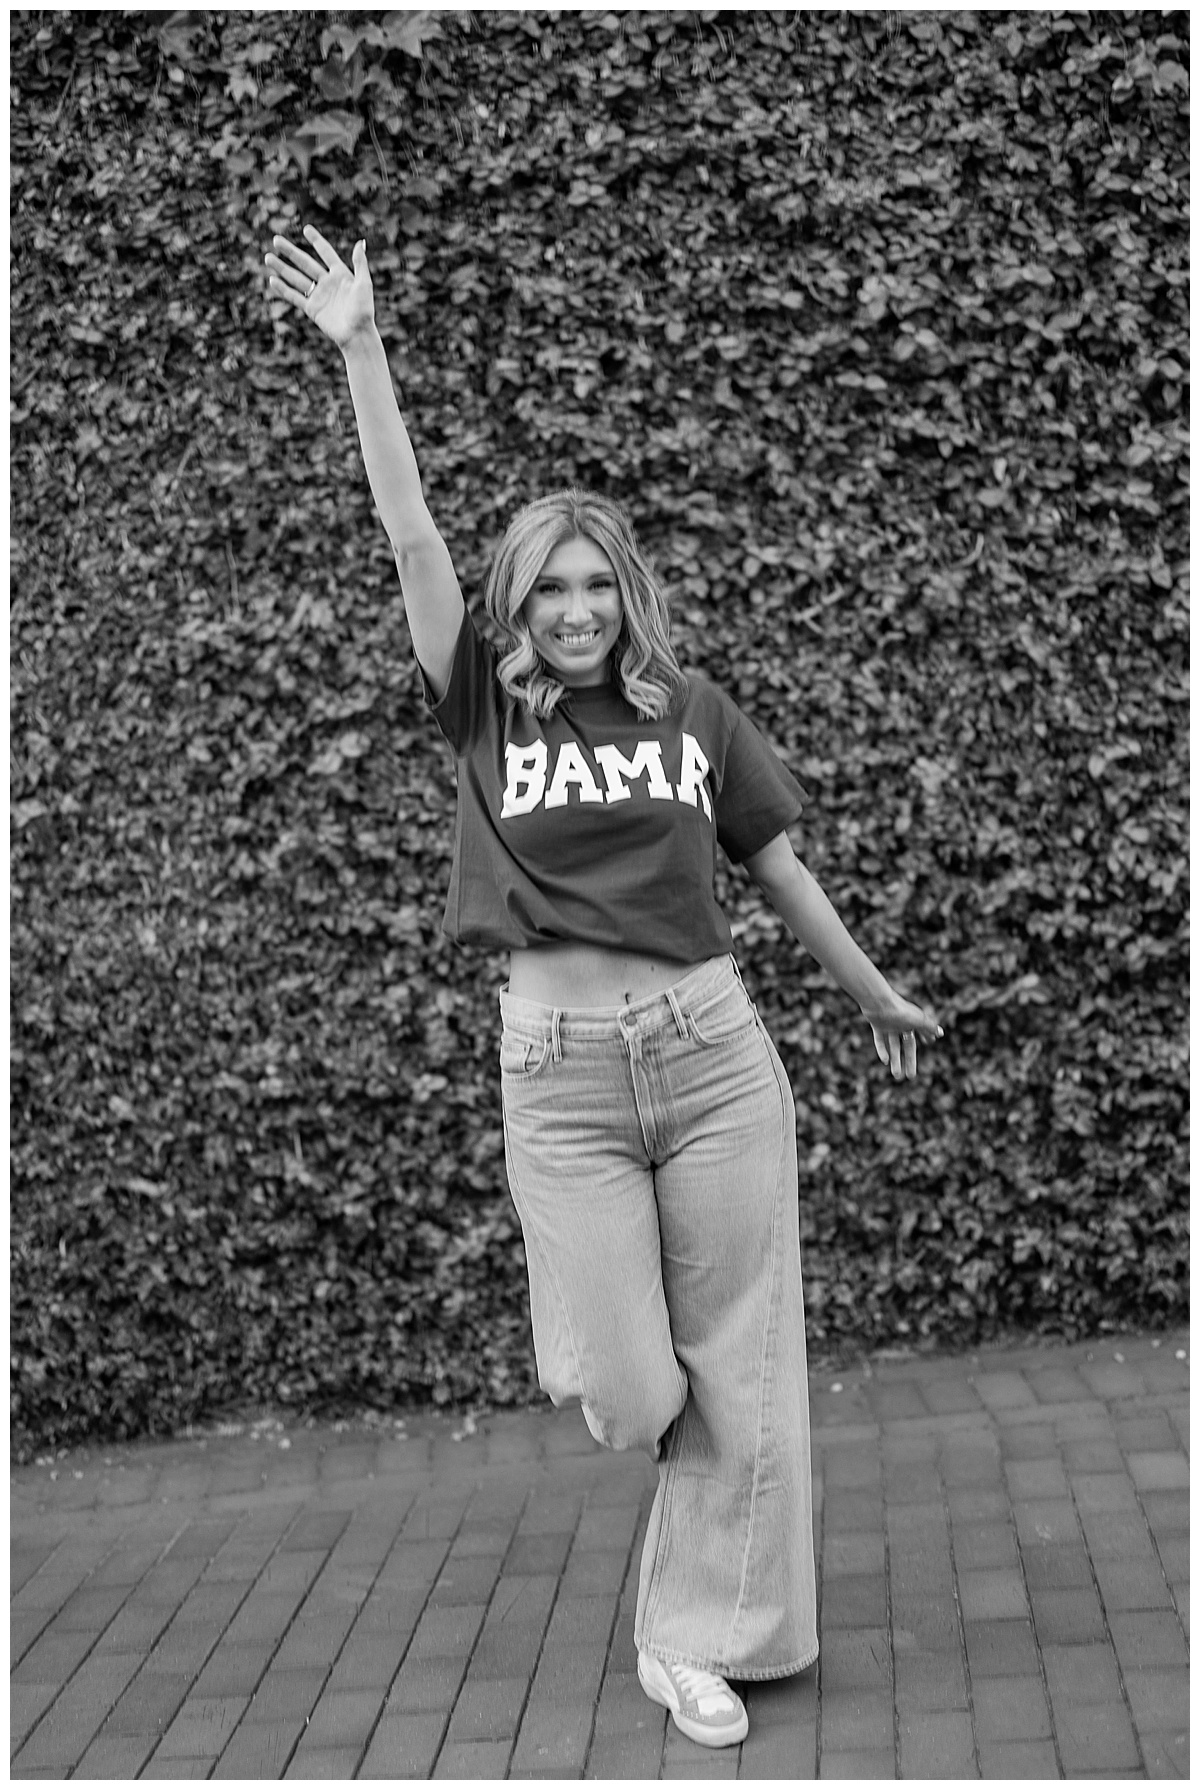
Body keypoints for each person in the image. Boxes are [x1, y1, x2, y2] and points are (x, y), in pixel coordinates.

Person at [264, 225, 943, 1750]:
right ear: (516, 606)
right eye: (547, 590)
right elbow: (410, 533)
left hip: (711, 1054)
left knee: (742, 1368)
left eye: (594, 585)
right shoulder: (481, 707)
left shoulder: (693, 710)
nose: (573, 609)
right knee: (633, 1388)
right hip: (558, 1072)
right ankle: (641, 1447)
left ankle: (695, 1637)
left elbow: (777, 869)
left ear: (626, 594)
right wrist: (362, 348)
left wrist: (871, 992)